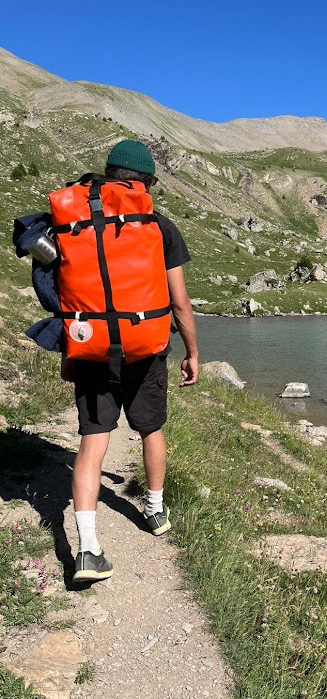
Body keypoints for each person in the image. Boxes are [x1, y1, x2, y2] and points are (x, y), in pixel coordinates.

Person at [64, 140, 198, 582]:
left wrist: (70, 350)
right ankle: (155, 513)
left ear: (108, 174)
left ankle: (86, 549)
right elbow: (179, 303)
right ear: (146, 182)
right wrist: (193, 352)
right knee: (151, 429)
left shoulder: (77, 222)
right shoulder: (158, 226)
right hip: (146, 349)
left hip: (91, 345)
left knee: (93, 440)